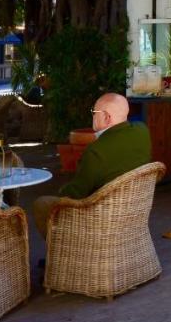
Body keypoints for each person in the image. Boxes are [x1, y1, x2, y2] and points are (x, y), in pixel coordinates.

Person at [31, 92, 152, 235]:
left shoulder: (96, 151)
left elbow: (75, 194)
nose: (92, 116)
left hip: (100, 222)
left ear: (107, 117)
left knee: (42, 204)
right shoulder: (142, 131)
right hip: (133, 215)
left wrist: (62, 192)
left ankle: (63, 250)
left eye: (94, 112)